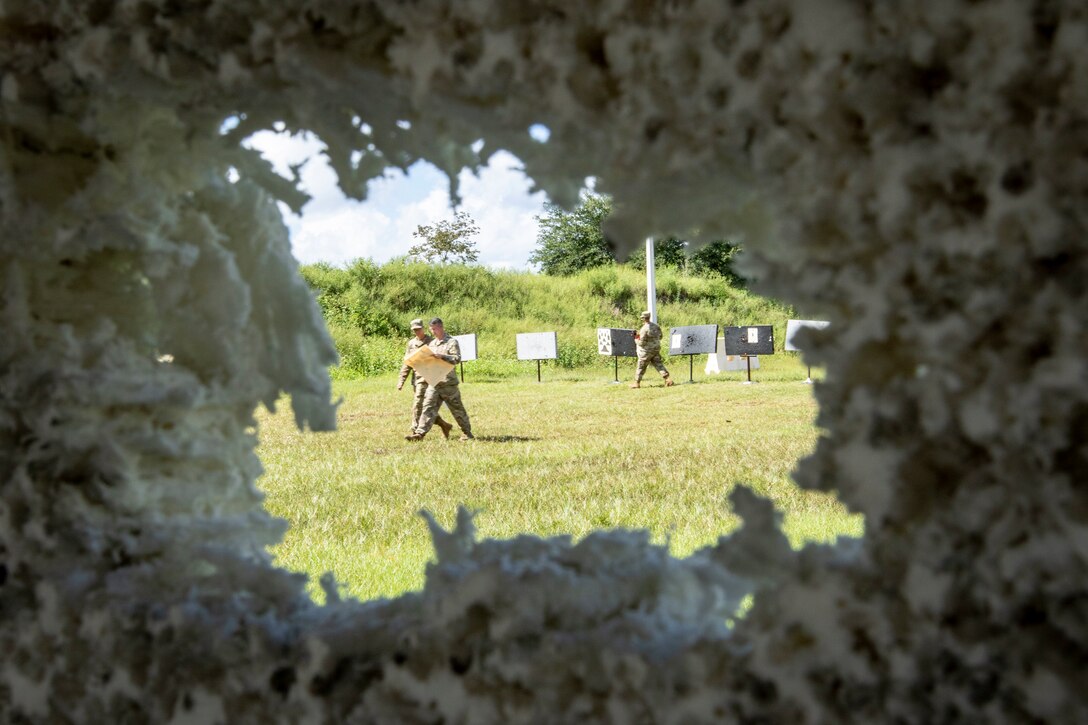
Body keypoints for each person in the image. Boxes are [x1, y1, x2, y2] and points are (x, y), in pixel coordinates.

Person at [407, 318, 474, 441]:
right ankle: (419, 434)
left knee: (457, 409)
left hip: (448, 383)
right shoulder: (432, 344)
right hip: (435, 382)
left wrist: (443, 356)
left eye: (435, 329)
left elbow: (456, 359)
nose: (433, 332)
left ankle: (467, 433)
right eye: (431, 329)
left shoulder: (451, 342)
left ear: (441, 327)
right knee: (427, 407)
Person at [398, 318, 453, 438]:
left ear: (423, 328)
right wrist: (401, 380)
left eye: (418, 329)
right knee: (425, 406)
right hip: (417, 379)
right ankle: (444, 425)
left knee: (419, 404)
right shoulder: (411, 344)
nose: (417, 332)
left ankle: (416, 431)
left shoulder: (432, 342)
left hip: (429, 378)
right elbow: (407, 363)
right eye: (414, 330)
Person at [632, 311, 674, 388]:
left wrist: (635, 338)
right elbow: (660, 337)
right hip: (656, 349)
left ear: (643, 318)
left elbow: (641, 343)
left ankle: (636, 383)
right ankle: (668, 379)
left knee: (641, 366)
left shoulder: (644, 329)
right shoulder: (656, 326)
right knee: (658, 364)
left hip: (646, 351)